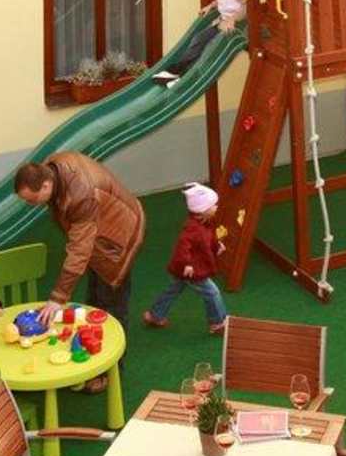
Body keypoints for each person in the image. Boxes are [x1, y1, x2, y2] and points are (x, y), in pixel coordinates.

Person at [13, 153, 145, 393]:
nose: (31, 205)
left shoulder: (80, 196)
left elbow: (79, 252)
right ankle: (91, 357)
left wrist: (57, 298)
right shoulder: (52, 169)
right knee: (94, 301)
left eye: (32, 200)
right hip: (101, 231)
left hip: (119, 240)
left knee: (112, 306)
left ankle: (111, 372)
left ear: (45, 185)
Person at [142, 182, 228, 334]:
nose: (216, 207)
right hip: (193, 270)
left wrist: (217, 246)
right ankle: (217, 323)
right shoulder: (192, 229)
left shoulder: (205, 223)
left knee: (173, 289)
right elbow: (182, 247)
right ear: (202, 210)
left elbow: (209, 238)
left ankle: (155, 315)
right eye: (213, 205)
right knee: (212, 293)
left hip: (186, 270)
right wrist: (187, 263)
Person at [153, 0, 247, 86]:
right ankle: (176, 71)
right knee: (198, 39)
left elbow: (245, 8)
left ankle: (186, 78)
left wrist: (233, 19)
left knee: (210, 48)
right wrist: (210, 6)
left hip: (237, 25)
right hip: (222, 22)